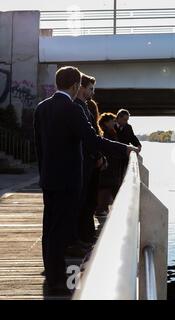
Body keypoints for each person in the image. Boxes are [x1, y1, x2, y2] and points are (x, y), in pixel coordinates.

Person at [33, 66, 139, 294]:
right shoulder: (72, 109)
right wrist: (126, 148)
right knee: (61, 230)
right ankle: (58, 281)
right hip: (69, 181)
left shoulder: (42, 108)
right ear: (74, 86)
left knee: (49, 228)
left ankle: (52, 275)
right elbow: (94, 141)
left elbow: (39, 148)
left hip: (49, 178)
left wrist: (44, 173)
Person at [74, 74, 103, 246]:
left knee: (88, 201)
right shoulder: (77, 107)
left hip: (89, 163)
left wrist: (100, 156)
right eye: (91, 88)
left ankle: (86, 236)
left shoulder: (84, 106)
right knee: (83, 202)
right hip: (83, 164)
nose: (93, 92)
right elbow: (88, 138)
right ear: (81, 87)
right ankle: (80, 238)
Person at [96, 112, 121, 217]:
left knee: (109, 186)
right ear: (106, 123)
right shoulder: (106, 133)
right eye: (113, 121)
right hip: (108, 166)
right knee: (106, 186)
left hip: (111, 166)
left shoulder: (111, 132)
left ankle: (104, 209)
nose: (114, 123)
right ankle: (102, 210)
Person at [114, 109, 142, 194]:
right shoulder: (112, 126)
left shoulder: (128, 127)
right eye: (125, 120)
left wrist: (138, 145)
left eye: (127, 120)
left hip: (124, 156)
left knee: (122, 176)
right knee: (114, 178)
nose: (126, 122)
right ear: (118, 118)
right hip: (114, 157)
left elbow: (132, 137)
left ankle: (121, 191)